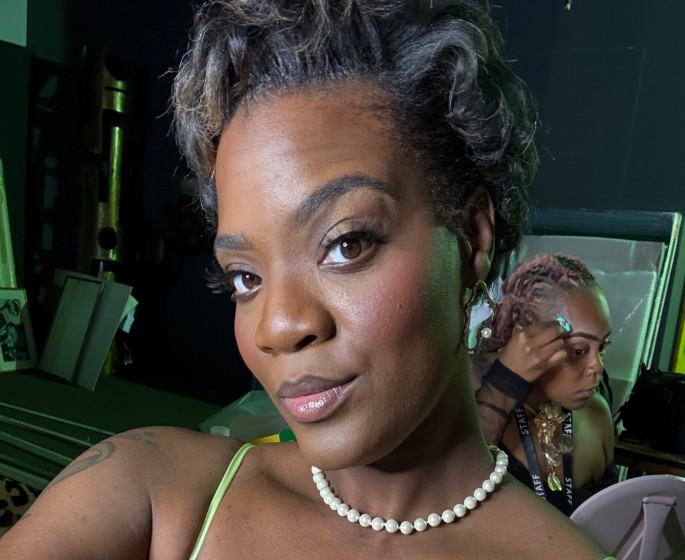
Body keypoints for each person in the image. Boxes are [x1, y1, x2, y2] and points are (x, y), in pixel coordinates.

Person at [0, 1, 615, 558]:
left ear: (473, 238)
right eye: (245, 278)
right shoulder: (155, 496)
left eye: (347, 244)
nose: (277, 327)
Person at [472, 253, 618, 516]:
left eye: (602, 347)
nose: (598, 366)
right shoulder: (465, 396)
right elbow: (447, 490)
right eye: (579, 350)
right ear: (525, 340)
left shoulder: (596, 415)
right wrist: (506, 382)